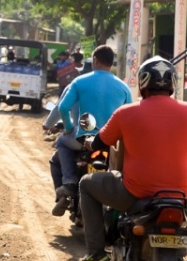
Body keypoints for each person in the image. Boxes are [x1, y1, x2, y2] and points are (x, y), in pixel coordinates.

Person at [76, 56, 187, 261]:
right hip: (180, 195)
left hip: (135, 192)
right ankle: (180, 250)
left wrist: (90, 142)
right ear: (173, 82)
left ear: (142, 82)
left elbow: (100, 142)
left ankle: (96, 252)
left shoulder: (126, 112)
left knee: (86, 184)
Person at [50, 46, 132, 217]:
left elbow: (63, 107)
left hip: (83, 140)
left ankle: (69, 184)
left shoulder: (80, 82)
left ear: (95, 60)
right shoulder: (123, 87)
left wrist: (69, 128)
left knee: (61, 143)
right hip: (111, 143)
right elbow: (129, 116)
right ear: (112, 63)